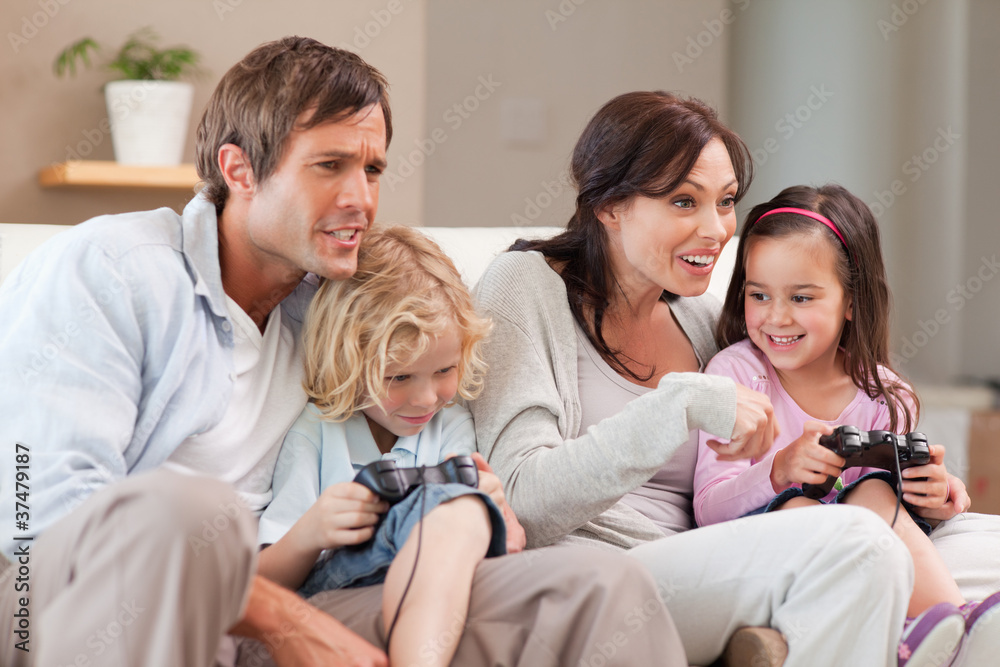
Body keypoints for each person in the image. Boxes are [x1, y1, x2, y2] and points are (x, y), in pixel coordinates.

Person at [0, 40, 688, 667]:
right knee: (182, 510)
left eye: (373, 167)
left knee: (589, 584)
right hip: (58, 608)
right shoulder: (110, 270)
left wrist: (471, 495)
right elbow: (41, 521)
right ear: (238, 168)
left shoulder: (336, 305)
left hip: (272, 609)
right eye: (330, 165)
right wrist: (280, 617)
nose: (361, 197)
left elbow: (407, 413)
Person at [468, 90, 922, 666]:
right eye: (684, 202)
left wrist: (916, 489)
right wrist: (677, 405)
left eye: (726, 201)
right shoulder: (523, 286)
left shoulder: (703, 316)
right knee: (858, 545)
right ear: (609, 206)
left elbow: (774, 461)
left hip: (716, 558)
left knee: (978, 545)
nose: (717, 229)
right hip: (600, 575)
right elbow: (523, 499)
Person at [692, 184, 1000, 667]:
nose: (776, 316)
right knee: (798, 501)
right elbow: (708, 508)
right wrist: (778, 470)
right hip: (774, 543)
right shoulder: (733, 377)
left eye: (800, 296)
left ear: (851, 302)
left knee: (874, 492)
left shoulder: (885, 394)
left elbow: (898, 507)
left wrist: (937, 495)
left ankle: (951, 624)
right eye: (759, 294)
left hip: (867, 536)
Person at [256, 224, 524, 667]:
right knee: (445, 508)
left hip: (434, 579)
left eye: (444, 371)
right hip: (337, 585)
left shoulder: (452, 423)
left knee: (460, 506)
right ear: (347, 358)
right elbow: (260, 586)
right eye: (398, 377)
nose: (425, 399)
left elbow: (496, 543)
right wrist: (311, 532)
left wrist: (495, 509)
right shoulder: (317, 431)